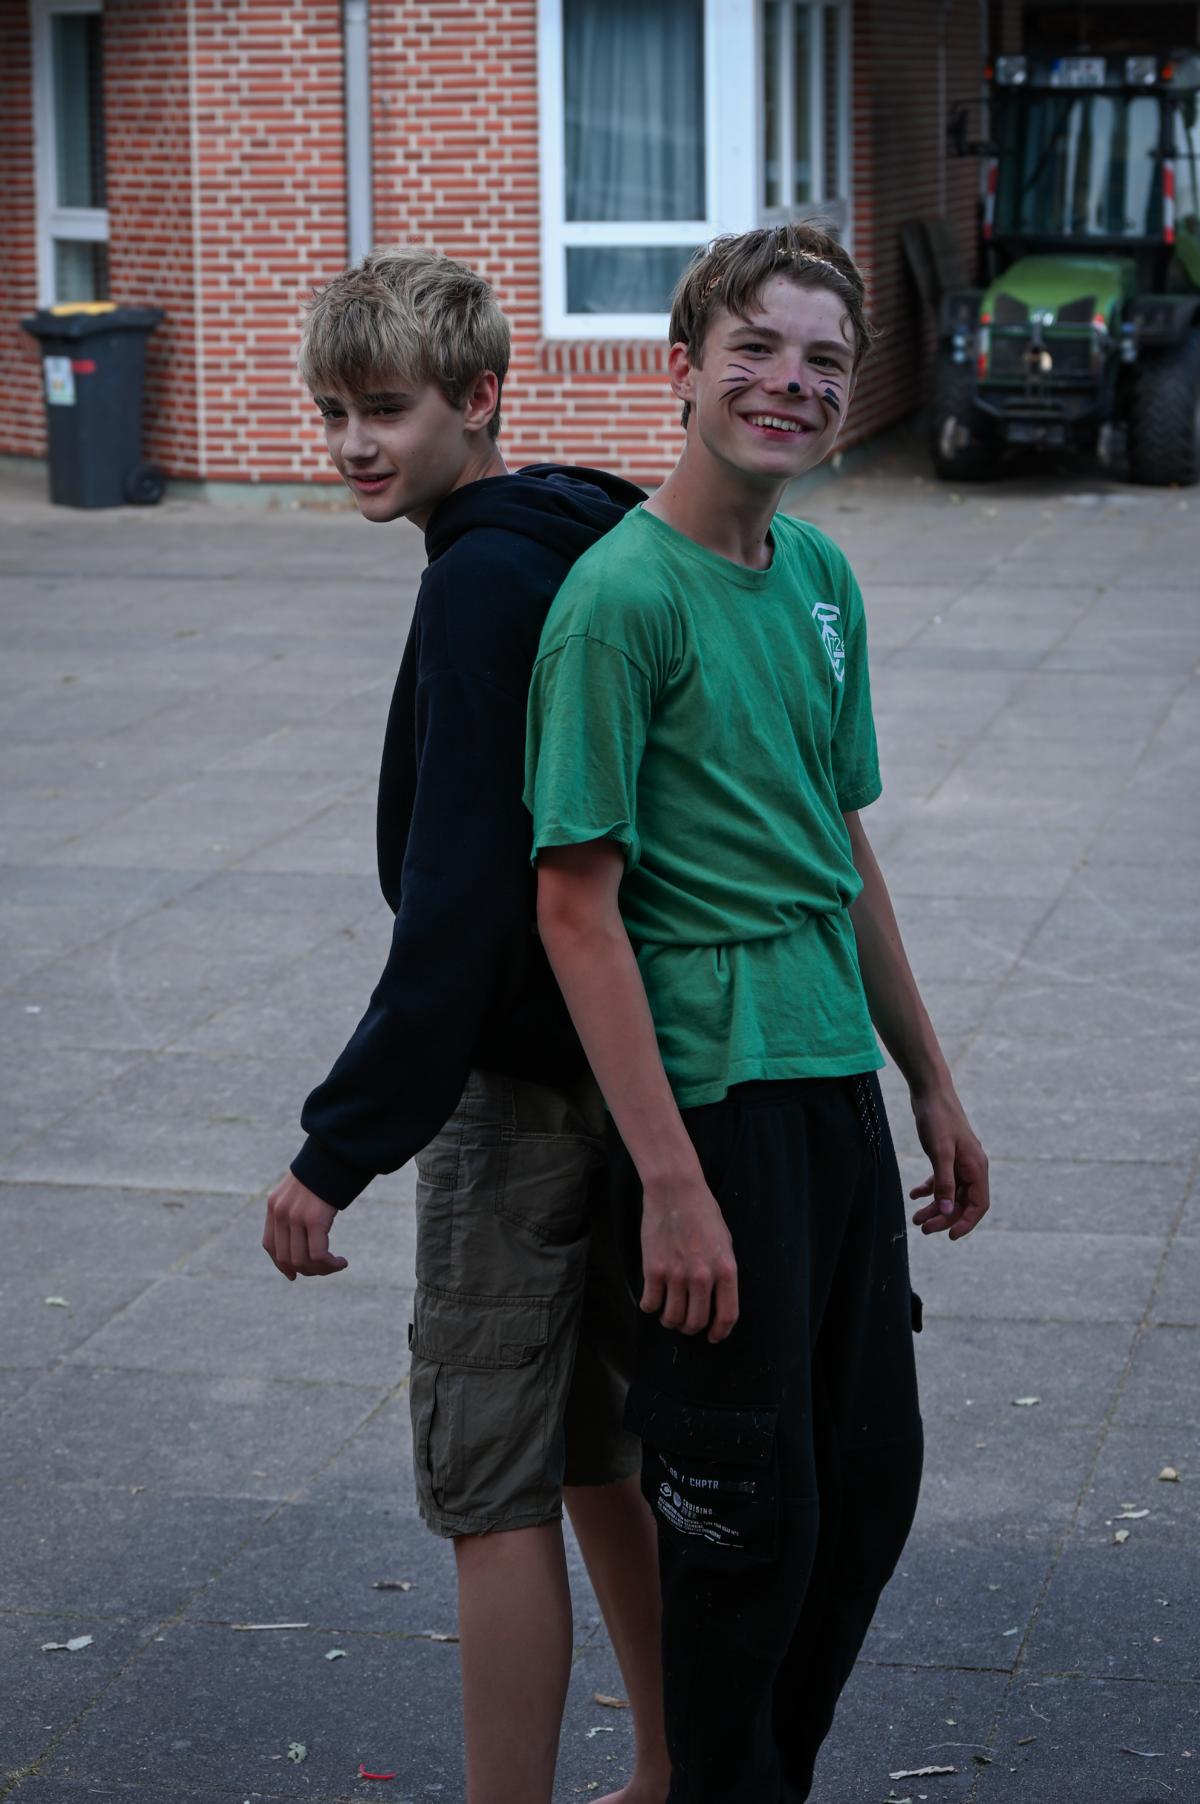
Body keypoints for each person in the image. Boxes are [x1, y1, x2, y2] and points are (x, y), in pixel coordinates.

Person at [525, 223, 991, 1803]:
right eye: (759, 349)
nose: (793, 382)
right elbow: (575, 909)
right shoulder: (617, 601)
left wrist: (930, 1080)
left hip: (831, 1082)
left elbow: (837, 847)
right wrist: (668, 1183)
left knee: (868, 1486)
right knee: (744, 1519)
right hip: (711, 1107)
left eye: (824, 359)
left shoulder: (822, 580)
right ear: (685, 370)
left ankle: (750, 1781)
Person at [260, 247, 669, 1804]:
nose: (352, 443)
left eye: (385, 410)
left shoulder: (480, 582)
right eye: (333, 413)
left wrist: (338, 1148)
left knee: (491, 1486)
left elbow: (460, 908)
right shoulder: (587, 532)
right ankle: (667, 1768)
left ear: (479, 398)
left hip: (523, 1088)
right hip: (628, 1065)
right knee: (598, 1455)